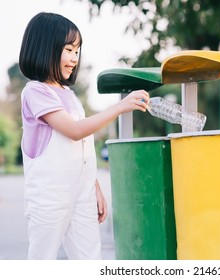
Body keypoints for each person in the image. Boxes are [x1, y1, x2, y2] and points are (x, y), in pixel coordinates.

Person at [19, 12, 149, 260]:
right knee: (42, 260)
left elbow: (82, 148)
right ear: (45, 48)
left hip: (81, 194)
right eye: (68, 49)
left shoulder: (67, 93)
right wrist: (121, 106)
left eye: (77, 51)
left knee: (90, 258)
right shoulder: (35, 92)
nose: (74, 59)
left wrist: (94, 188)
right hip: (50, 196)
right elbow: (75, 130)